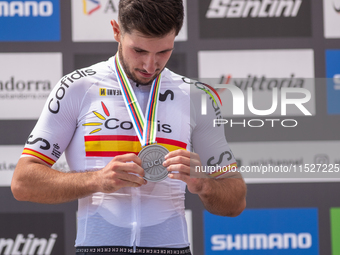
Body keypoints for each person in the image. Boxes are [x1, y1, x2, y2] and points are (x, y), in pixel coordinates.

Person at [11, 0, 246, 254]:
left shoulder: (196, 96)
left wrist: (204, 185)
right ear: (116, 31)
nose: (150, 65)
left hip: (172, 248)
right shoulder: (77, 88)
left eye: (163, 52)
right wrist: (97, 180)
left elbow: (236, 201)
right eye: (139, 51)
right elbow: (23, 183)